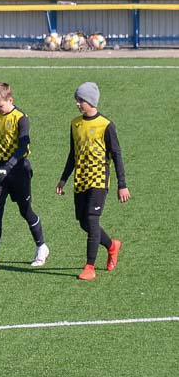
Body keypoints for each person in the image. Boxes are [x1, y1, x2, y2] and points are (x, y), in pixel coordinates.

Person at [56, 82, 130, 281]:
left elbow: (116, 155)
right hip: (81, 179)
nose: (77, 103)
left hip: (98, 179)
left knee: (92, 219)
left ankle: (90, 267)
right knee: (83, 222)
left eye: (80, 100)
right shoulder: (75, 124)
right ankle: (112, 246)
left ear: (90, 101)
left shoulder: (106, 125)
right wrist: (63, 179)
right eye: (77, 99)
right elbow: (73, 154)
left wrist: (122, 184)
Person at [0, 83, 50, 272]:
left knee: (25, 211)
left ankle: (42, 247)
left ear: (10, 100)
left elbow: (23, 146)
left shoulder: (21, 119)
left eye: (0, 105)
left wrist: (8, 167)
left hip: (18, 170)